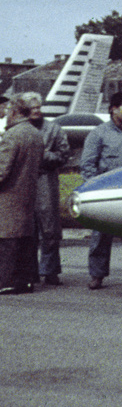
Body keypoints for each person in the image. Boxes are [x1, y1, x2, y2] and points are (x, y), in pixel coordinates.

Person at [81, 91, 122, 289]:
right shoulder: (98, 134)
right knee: (101, 238)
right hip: (106, 195)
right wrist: (95, 191)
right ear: (113, 109)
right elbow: (87, 165)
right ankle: (97, 275)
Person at [0, 94, 45, 294]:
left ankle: (7, 281)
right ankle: (25, 281)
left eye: (9, 110)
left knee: (7, 241)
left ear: (16, 112)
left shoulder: (12, 135)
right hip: (27, 195)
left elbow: (2, 170)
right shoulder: (35, 134)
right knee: (25, 240)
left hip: (7, 197)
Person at [24, 93, 70, 285]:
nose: (36, 111)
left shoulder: (54, 129)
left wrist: (44, 155)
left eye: (38, 107)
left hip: (45, 179)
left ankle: (50, 270)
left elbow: (64, 155)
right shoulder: (20, 129)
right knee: (27, 229)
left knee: (49, 228)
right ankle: (30, 272)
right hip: (24, 181)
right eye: (32, 107)